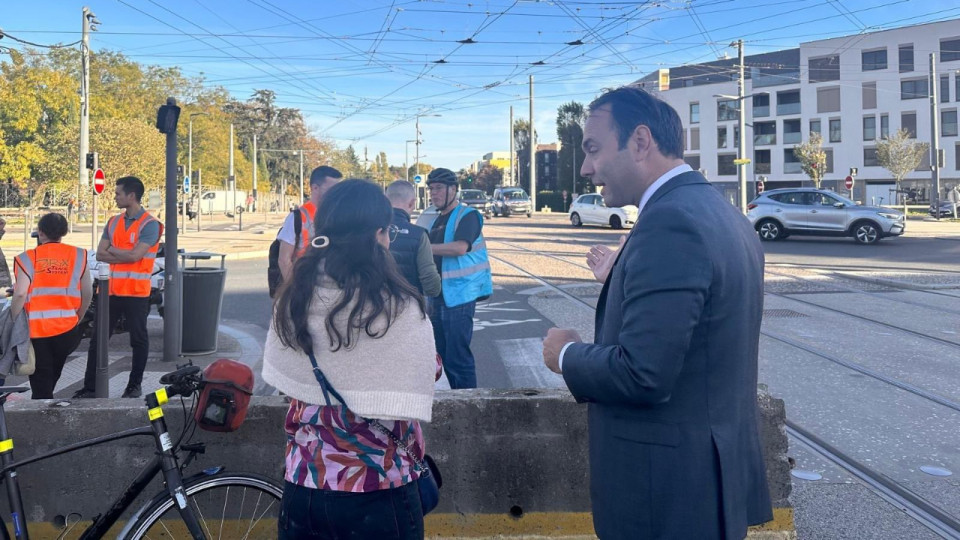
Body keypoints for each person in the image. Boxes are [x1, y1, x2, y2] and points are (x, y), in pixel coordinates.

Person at [542, 86, 772, 539]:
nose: (586, 167)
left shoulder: (670, 222)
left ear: (640, 141)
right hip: (706, 482)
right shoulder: (720, 212)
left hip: (667, 496)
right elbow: (699, 320)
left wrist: (565, 355)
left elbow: (642, 374)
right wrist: (622, 278)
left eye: (592, 148)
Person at [263, 179, 438, 540]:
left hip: (305, 483)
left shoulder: (294, 298)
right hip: (381, 486)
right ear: (378, 234)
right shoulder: (399, 307)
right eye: (387, 231)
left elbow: (286, 372)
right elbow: (425, 371)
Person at [75, 176, 163, 399]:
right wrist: (124, 254)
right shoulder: (113, 222)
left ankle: (134, 386)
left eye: (118, 193)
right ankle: (90, 387)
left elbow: (135, 256)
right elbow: (100, 253)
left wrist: (113, 250)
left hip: (136, 292)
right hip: (110, 292)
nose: (114, 197)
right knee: (98, 340)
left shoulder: (150, 225)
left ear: (131, 196)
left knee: (138, 340)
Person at [415, 168, 492, 389]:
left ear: (453, 189)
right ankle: (452, 399)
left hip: (460, 295)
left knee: (458, 357)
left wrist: (425, 248)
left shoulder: (468, 216)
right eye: (431, 189)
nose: (434, 193)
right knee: (440, 355)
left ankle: (468, 403)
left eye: (439, 188)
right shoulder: (432, 219)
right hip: (436, 295)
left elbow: (460, 248)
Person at [11, 213, 93, 399]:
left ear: (40, 232)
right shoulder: (79, 255)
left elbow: (20, 293)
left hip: (37, 330)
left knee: (41, 378)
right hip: (67, 328)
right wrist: (78, 316)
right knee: (52, 375)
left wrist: (14, 320)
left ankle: (42, 411)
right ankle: (44, 405)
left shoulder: (28, 258)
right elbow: (87, 292)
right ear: (64, 232)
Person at [277, 166, 342, 282]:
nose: (336, 194)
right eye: (332, 189)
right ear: (315, 188)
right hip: (305, 283)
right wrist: (295, 288)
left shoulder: (337, 216)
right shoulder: (297, 217)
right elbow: (284, 260)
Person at [385, 180, 441, 298]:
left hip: (374, 303)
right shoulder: (418, 235)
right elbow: (431, 285)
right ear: (412, 203)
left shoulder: (371, 230)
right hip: (409, 303)